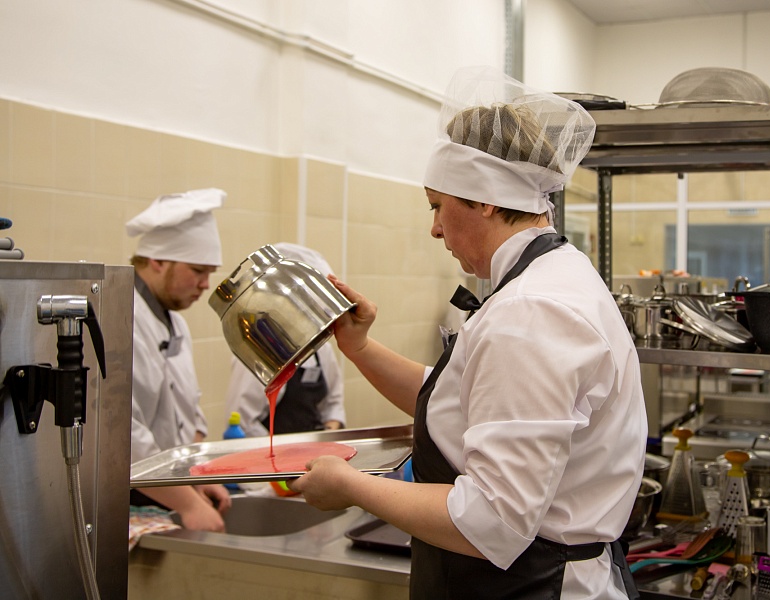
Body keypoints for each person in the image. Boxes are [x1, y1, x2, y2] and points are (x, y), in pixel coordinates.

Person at [290, 66, 647, 598]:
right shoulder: (550, 278)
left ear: (484, 200)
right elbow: (463, 400)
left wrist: (351, 486)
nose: (434, 228)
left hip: (535, 587)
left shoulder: (530, 313)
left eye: (438, 205)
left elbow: (492, 520)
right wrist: (358, 346)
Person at [127, 188, 232, 532]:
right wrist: (187, 502)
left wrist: (197, 476)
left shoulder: (176, 324)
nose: (205, 284)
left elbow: (189, 410)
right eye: (198, 270)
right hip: (130, 496)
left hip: (169, 487)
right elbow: (123, 433)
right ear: (158, 260)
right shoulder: (120, 318)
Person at [225, 242, 346, 436]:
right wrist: (286, 450)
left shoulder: (322, 349)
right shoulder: (257, 349)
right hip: (272, 451)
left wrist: (327, 433)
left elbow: (333, 404)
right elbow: (244, 423)